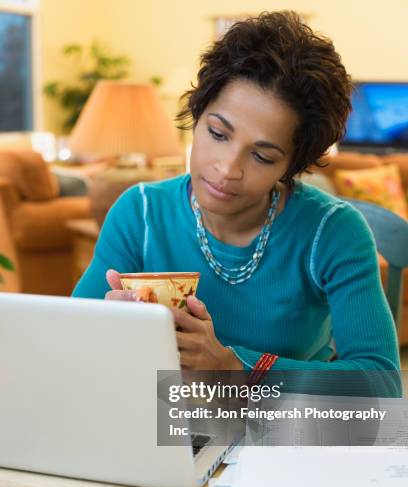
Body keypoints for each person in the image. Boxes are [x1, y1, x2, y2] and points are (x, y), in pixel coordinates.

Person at [72, 11, 400, 394]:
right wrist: (106, 331)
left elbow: (381, 384)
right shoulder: (140, 214)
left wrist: (237, 367)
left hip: (285, 434)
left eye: (262, 156)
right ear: (197, 114)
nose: (227, 169)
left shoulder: (333, 232)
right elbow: (74, 348)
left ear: (291, 165)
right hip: (165, 427)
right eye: (217, 133)